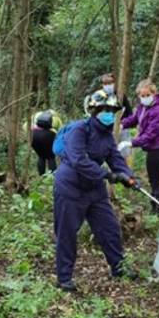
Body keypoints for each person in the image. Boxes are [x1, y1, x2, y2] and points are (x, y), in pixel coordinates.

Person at [53, 90, 138, 292]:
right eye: (104, 110)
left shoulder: (107, 136)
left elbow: (116, 159)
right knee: (67, 232)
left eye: (111, 110)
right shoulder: (79, 130)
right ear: (94, 110)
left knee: (109, 228)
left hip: (94, 190)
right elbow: (78, 160)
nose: (108, 113)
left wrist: (129, 177)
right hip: (70, 188)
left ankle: (119, 267)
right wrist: (108, 176)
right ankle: (64, 277)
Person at [119, 79, 159, 213]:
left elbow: (150, 134)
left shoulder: (158, 111)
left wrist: (131, 143)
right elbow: (134, 119)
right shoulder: (142, 107)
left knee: (154, 179)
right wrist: (121, 124)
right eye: (142, 95)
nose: (145, 98)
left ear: (153, 93)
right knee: (154, 178)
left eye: (147, 95)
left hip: (158, 149)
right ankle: (158, 206)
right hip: (152, 148)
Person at [30, 109, 62, 175]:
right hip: (48, 135)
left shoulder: (36, 115)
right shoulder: (56, 118)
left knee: (41, 156)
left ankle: (41, 175)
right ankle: (52, 176)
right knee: (51, 157)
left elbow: (26, 126)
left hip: (34, 135)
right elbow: (61, 130)